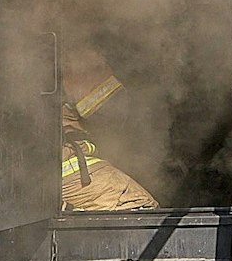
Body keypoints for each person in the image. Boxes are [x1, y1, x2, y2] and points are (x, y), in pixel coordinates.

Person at [58, 45, 160, 212]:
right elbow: (114, 111)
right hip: (61, 169)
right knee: (139, 203)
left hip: (44, 173)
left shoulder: (24, 61)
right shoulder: (75, 60)